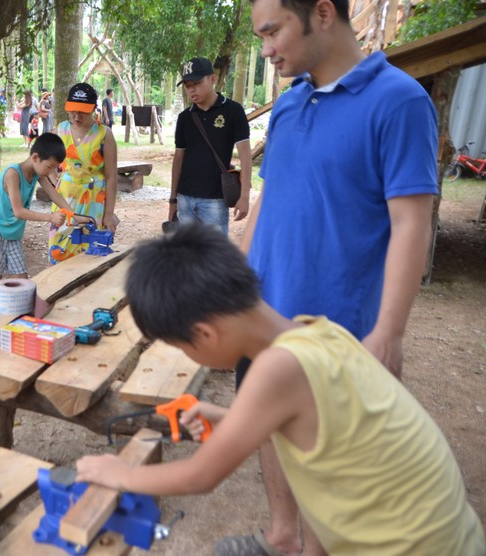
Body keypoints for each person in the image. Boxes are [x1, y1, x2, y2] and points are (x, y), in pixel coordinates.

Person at [75, 224, 486, 555]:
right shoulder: (317, 331)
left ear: (203, 334)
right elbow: (327, 453)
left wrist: (123, 474)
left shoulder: (277, 369)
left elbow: (200, 476)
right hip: (449, 535)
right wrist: (229, 418)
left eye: (182, 347)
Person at [232, 0, 441, 553]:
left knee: (329, 457)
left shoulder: (398, 101)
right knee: (272, 424)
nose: (266, 49)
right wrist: (235, 285)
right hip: (264, 311)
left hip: (336, 327)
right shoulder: (289, 102)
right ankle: (281, 536)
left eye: (272, 32)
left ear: (323, 13)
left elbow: (411, 221)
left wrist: (390, 331)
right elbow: (271, 194)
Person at [0, 133, 90, 297]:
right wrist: (50, 218)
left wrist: (74, 215)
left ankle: (22, 318)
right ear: (35, 157)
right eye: (50, 166)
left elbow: (55, 195)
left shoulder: (39, 173)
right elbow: (19, 211)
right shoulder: (12, 174)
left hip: (13, 233)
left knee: (22, 279)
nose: (52, 172)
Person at [169, 58, 252, 236]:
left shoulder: (233, 111)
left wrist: (244, 196)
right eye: (187, 85)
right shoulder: (185, 117)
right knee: (187, 256)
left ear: (212, 79)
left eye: (197, 83)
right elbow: (178, 159)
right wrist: (173, 200)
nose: (192, 89)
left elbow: (245, 157)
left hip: (215, 200)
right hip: (185, 198)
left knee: (215, 257)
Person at [48, 83, 118, 264]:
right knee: (60, 249)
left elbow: (111, 177)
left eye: (83, 111)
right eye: (73, 111)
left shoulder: (104, 134)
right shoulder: (60, 130)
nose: (76, 116)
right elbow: (44, 163)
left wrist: (109, 214)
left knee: (91, 253)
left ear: (94, 110)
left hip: (94, 201)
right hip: (65, 199)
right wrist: (54, 179)